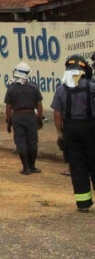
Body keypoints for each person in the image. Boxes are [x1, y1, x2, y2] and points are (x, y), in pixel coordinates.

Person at [50, 54, 95, 212]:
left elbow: (57, 114)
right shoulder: (91, 87)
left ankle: (83, 204)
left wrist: (60, 133)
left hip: (70, 129)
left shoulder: (61, 90)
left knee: (77, 167)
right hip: (90, 128)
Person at [4, 61, 44, 175]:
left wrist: (8, 120)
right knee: (32, 141)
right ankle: (33, 166)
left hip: (17, 116)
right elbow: (39, 105)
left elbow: (8, 107)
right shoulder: (34, 87)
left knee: (21, 142)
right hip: (31, 115)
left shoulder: (11, 88)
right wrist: (40, 118)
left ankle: (26, 167)